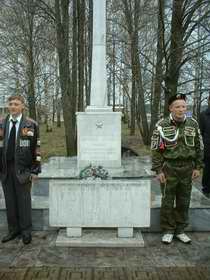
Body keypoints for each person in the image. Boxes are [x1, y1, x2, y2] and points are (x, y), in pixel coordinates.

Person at [151, 93, 203, 244]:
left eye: (184, 107)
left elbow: (199, 147)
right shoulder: (162, 125)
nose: (181, 109)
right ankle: (168, 229)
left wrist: (198, 167)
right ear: (171, 108)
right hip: (169, 168)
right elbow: (156, 149)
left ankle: (180, 230)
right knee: (167, 200)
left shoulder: (193, 124)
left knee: (184, 200)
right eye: (178, 107)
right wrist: (158, 170)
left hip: (187, 168)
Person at [0, 95, 41, 244]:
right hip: (5, 169)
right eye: (11, 104)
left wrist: (35, 170)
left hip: (23, 170)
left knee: (24, 201)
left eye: (16, 104)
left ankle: (26, 231)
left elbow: (36, 147)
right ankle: (13, 230)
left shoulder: (31, 125)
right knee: (10, 201)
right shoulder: (1, 123)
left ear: (22, 106)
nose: (13, 107)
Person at [199, 95, 210, 198]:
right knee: (207, 170)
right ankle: (206, 190)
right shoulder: (203, 115)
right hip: (208, 149)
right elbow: (200, 133)